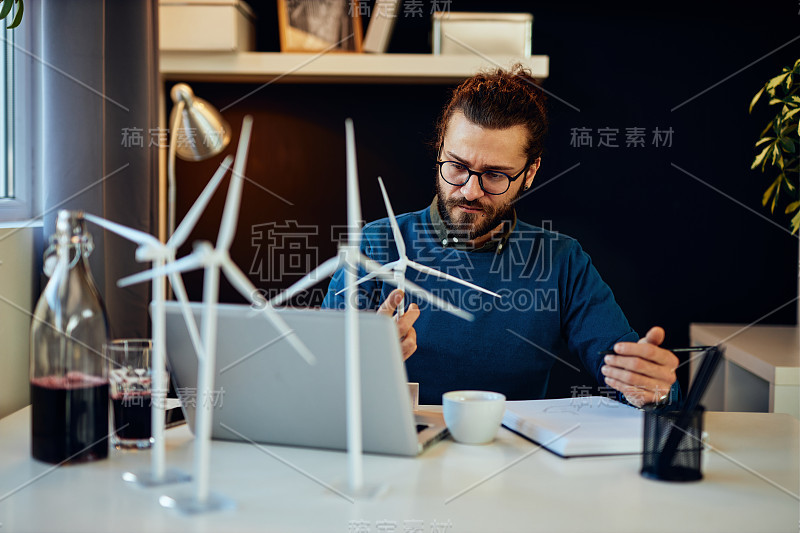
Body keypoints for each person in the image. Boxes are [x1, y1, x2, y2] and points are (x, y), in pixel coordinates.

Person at [322, 65, 679, 408]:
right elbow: (315, 374)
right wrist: (360, 364)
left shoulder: (561, 262)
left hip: (516, 461)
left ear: (530, 172)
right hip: (398, 457)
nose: (470, 191)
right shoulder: (376, 245)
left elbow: (639, 383)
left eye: (494, 175)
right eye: (457, 167)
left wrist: (653, 390)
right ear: (439, 150)